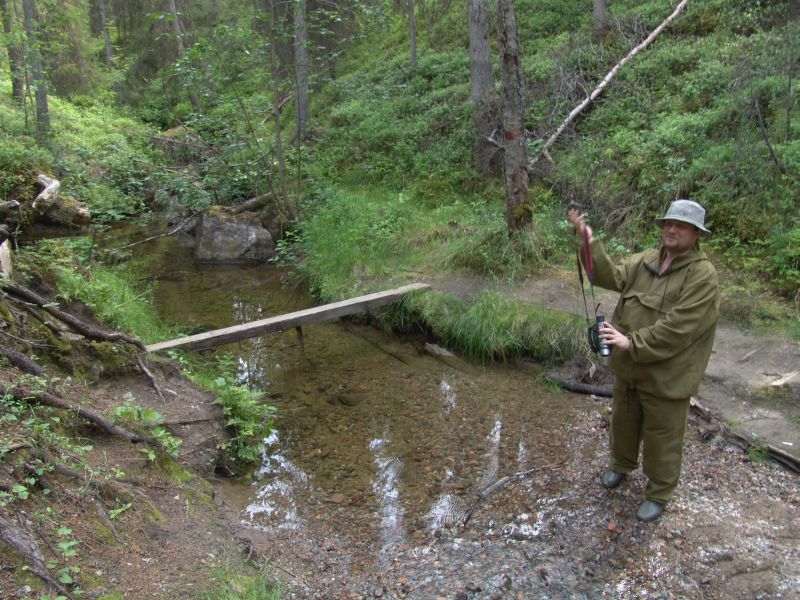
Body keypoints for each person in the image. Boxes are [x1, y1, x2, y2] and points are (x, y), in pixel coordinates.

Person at [567, 199, 720, 522]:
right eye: (668, 223)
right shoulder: (648, 259)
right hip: (630, 367)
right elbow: (609, 277)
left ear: (697, 234)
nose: (672, 229)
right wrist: (588, 240)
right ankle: (621, 465)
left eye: (681, 226)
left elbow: (680, 328)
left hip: (668, 375)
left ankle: (659, 492)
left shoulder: (703, 276)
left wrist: (629, 341)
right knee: (623, 421)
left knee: (662, 437)